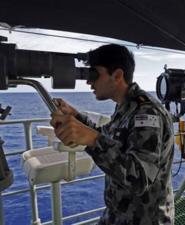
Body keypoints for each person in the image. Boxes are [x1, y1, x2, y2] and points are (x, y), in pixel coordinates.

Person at [50, 44, 175, 225]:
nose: (88, 82)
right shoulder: (126, 106)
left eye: (94, 75)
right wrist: (75, 115)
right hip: (119, 213)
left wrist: (92, 140)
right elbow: (108, 138)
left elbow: (139, 179)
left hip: (145, 219)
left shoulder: (147, 112)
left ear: (117, 76)